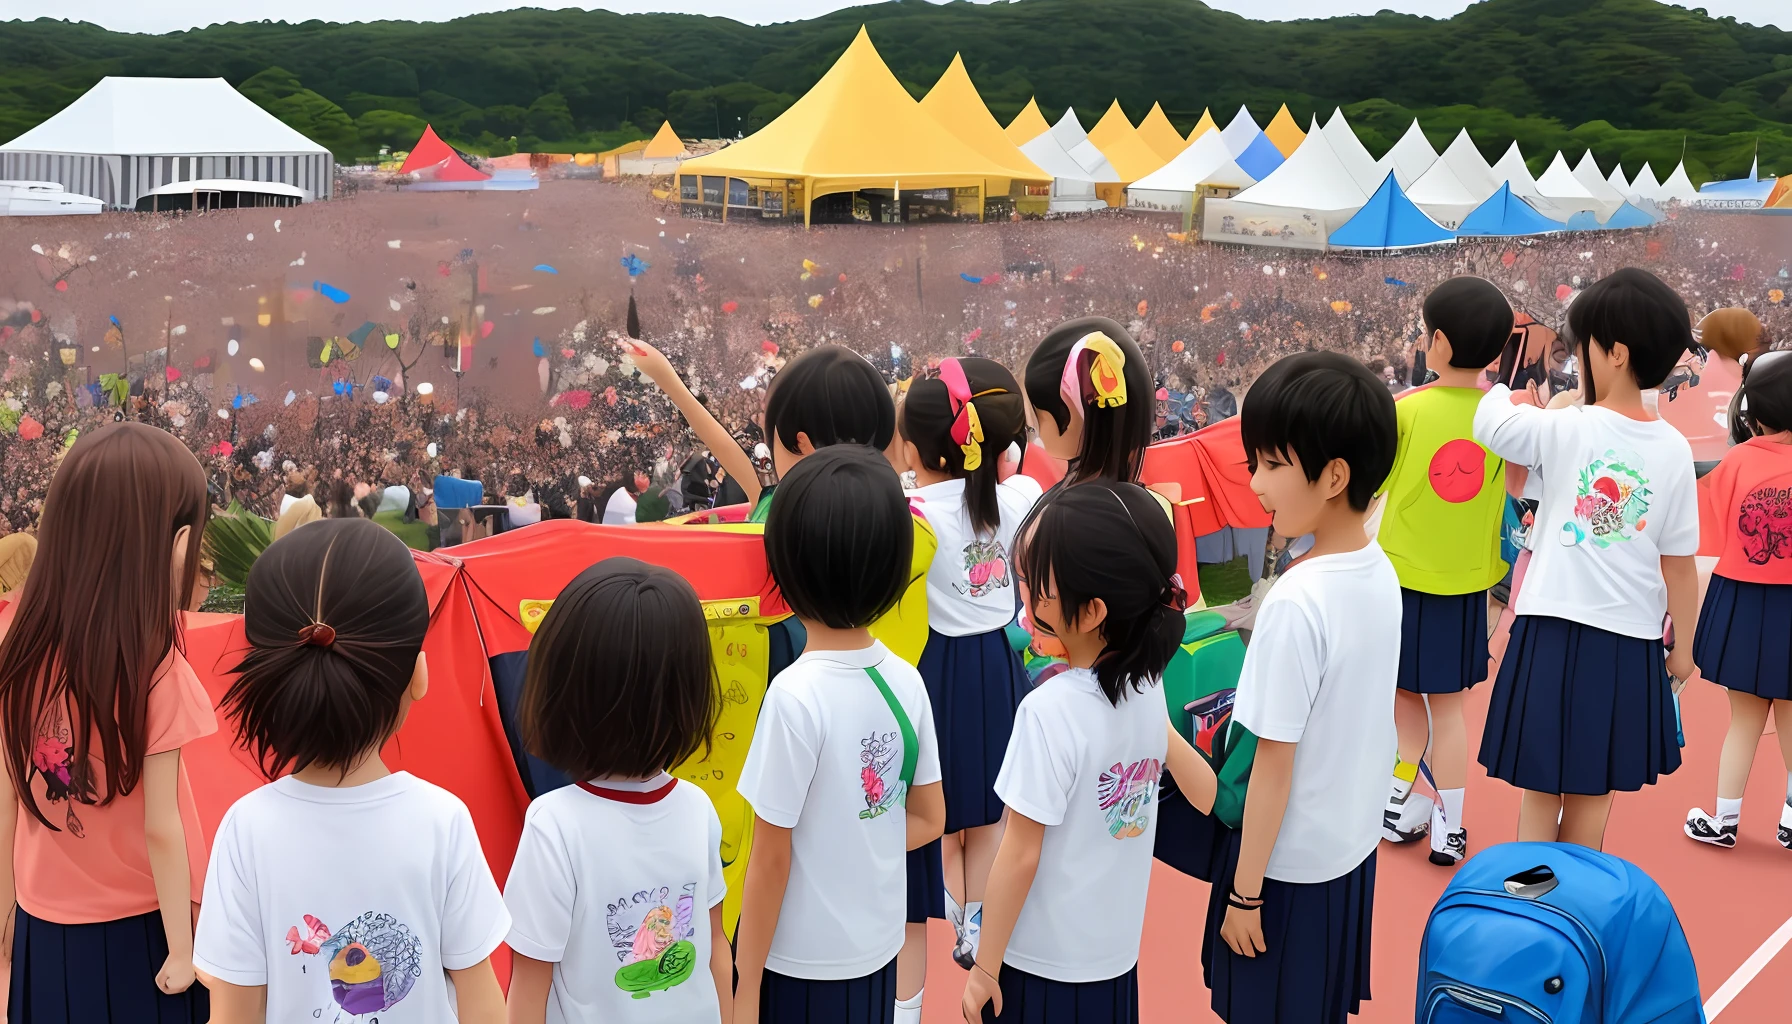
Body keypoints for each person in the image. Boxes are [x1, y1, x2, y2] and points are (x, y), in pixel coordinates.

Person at [193, 518, 510, 1022]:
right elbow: (481, 999)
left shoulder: (246, 828)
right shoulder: (442, 820)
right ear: (418, 675)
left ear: (270, 681)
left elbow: (233, 1014)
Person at [960, 483, 1216, 1024]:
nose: (1026, 596)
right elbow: (1204, 789)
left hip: (1040, 963)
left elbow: (1020, 853)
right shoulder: (1148, 686)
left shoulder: (1048, 711)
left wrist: (985, 968)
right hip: (1114, 957)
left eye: (1041, 588)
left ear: (1094, 609)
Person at [1474, 267, 1700, 849]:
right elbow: (1678, 562)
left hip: (1550, 628)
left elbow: (1491, 424)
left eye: (1585, 348)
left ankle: (1528, 903)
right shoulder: (1675, 449)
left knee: (1539, 788)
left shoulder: (1568, 425)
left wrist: (1505, 380)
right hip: (1628, 639)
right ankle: (1575, 904)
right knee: (1595, 790)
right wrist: (1686, 650)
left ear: (1615, 353)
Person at [1205, 351, 1400, 1024]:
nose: (1256, 483)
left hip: (1284, 872)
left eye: (1272, 464)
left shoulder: (1296, 601)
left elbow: (1272, 765)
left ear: (1335, 475)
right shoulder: (1378, 568)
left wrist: (1244, 895)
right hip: (1348, 849)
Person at [0, 422, 216, 1023]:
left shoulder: (13, 649)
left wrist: (2, 918)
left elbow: (7, 800)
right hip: (141, 933)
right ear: (172, 545)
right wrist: (181, 948)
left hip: (42, 928)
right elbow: (162, 829)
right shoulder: (154, 671)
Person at [734, 446, 946, 1024]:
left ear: (785, 568)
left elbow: (769, 862)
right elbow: (930, 817)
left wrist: (743, 988)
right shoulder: (907, 680)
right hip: (878, 953)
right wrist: (859, 845)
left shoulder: (793, 697)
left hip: (798, 965)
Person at [504, 557, 731, 1022]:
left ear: (561, 691)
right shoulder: (697, 808)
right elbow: (715, 950)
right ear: (688, 694)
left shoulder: (554, 826)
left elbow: (528, 987)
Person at [897, 358, 1040, 1002]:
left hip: (931, 669)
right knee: (986, 815)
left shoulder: (911, 510)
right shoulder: (1017, 498)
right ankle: (976, 925)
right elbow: (1015, 462)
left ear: (913, 445)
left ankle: (947, 914)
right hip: (995, 666)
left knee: (937, 809)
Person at [1375, 277, 1514, 866]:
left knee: (1403, 694)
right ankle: (1450, 827)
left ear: (1435, 341)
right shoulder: (1502, 416)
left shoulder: (1406, 410)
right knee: (1448, 708)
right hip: (1464, 585)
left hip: (1402, 579)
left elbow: (1374, 486)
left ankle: (1400, 788)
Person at [1685, 351, 1792, 850]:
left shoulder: (1736, 460)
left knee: (1743, 721)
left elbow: (1712, 532)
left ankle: (1724, 820)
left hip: (1743, 602)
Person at [1022, 317, 1154, 488]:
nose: (1037, 437)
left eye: (1037, 423)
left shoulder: (1072, 507)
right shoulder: (1137, 498)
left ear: (1070, 410)